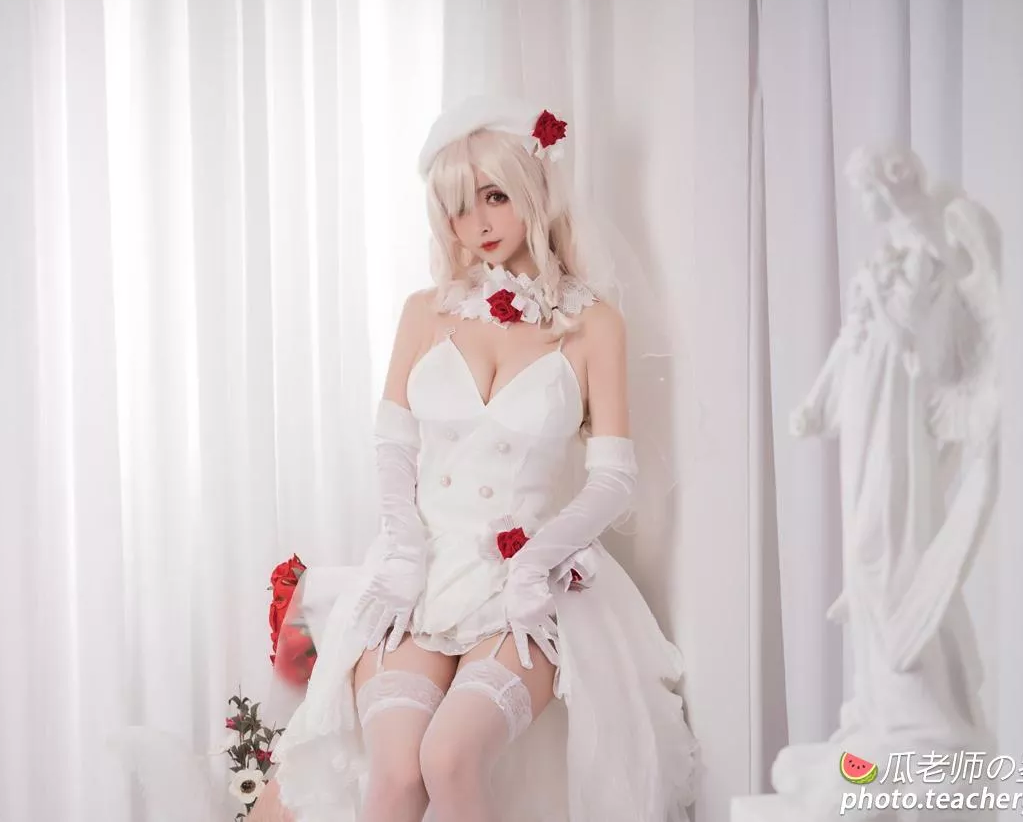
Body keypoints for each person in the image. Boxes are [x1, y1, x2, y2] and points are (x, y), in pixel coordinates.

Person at [264, 95, 698, 822]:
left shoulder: (595, 324)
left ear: (534, 190)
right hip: (420, 572)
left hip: (526, 582)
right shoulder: (425, 310)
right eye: (460, 207)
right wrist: (404, 551)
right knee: (396, 772)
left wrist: (534, 567)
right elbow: (392, 445)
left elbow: (614, 476)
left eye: (495, 196)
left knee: (449, 758)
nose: (479, 224)